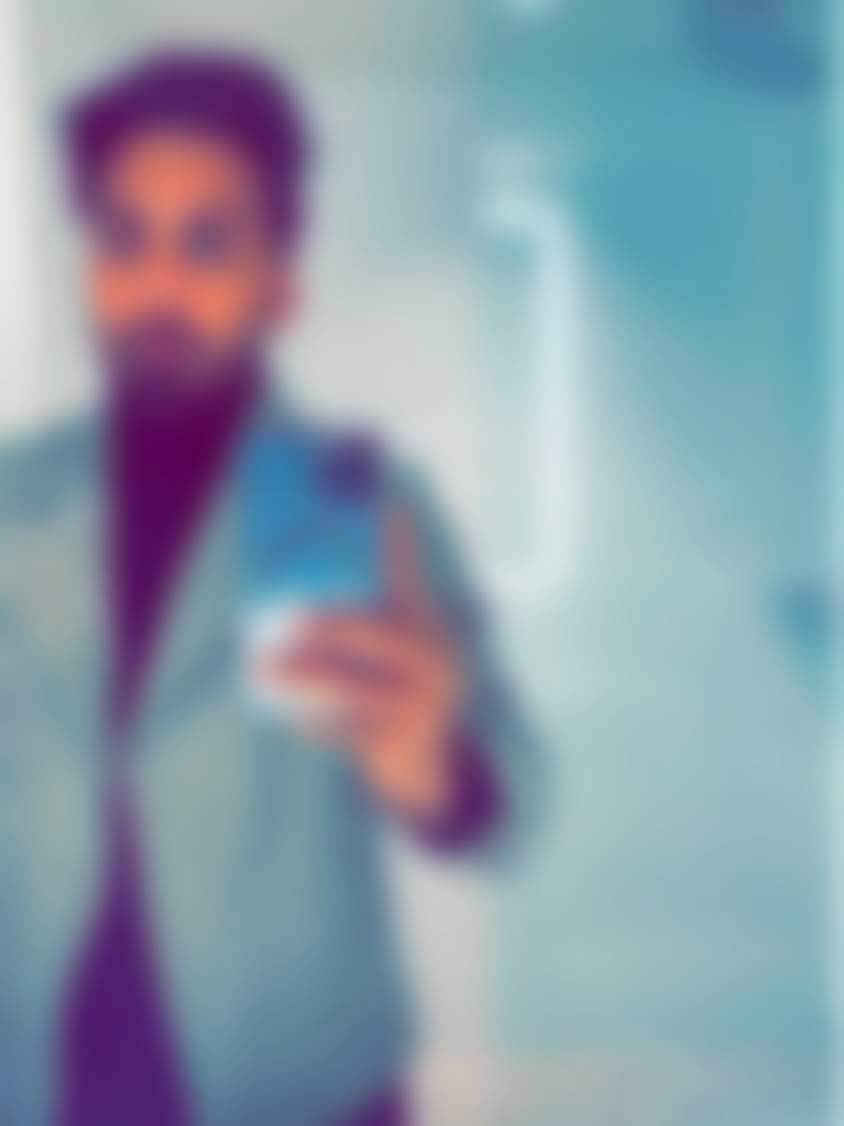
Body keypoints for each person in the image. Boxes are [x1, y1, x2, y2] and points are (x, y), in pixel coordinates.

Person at [0, 49, 536, 1125]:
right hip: (48, 1080)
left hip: (302, 1083)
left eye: (208, 242)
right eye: (124, 238)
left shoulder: (358, 501)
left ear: (280, 281)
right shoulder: (11, 502)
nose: (159, 285)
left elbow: (510, 781)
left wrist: (436, 771)